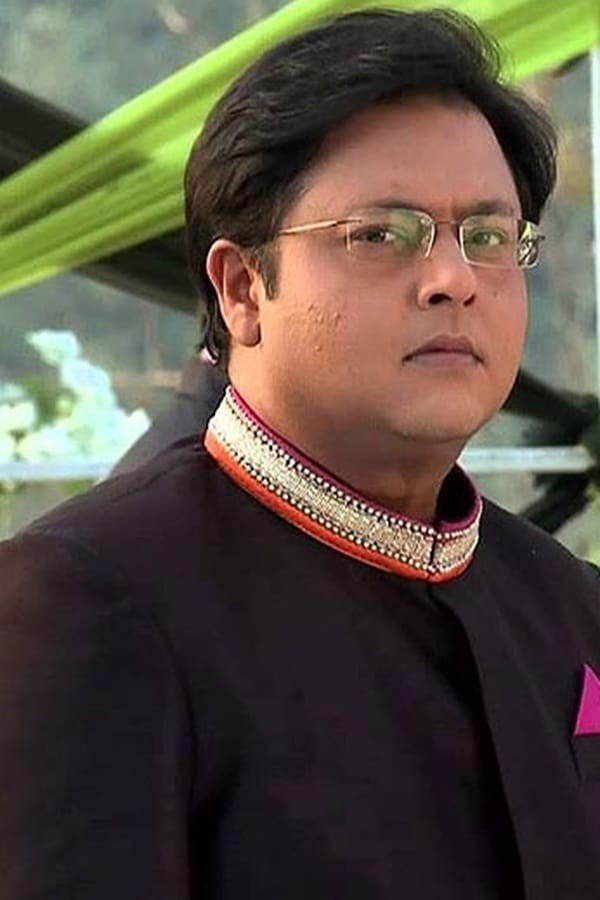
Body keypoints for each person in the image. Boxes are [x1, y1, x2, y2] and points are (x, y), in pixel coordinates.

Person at [2, 9, 600, 899]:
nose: (454, 279)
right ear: (243, 289)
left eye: (485, 237)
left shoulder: (567, 603)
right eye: (381, 235)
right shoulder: (90, 601)